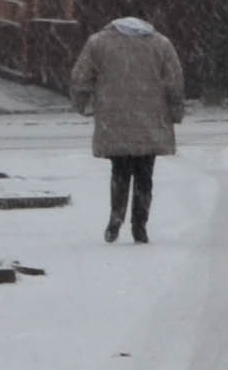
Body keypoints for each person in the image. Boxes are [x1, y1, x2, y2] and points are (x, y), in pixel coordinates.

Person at [68, 13, 185, 241]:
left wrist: (81, 103)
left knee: (119, 171)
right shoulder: (161, 44)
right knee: (144, 175)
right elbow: (175, 81)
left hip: (114, 117)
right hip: (150, 118)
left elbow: (80, 77)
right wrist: (175, 111)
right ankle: (139, 225)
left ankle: (116, 216)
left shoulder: (98, 43)